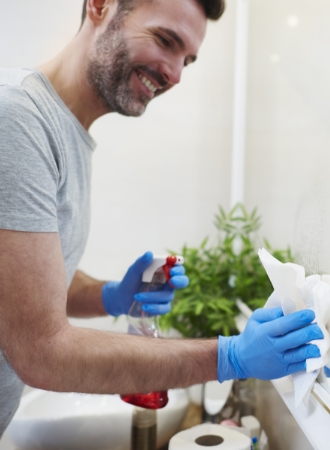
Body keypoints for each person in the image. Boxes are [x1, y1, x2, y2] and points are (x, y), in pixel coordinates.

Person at [0, 0, 323, 437]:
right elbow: (41, 352)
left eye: (186, 59)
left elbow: (27, 286)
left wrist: (110, 295)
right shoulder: (19, 119)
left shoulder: (67, 131)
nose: (175, 73)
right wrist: (227, 357)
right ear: (99, 6)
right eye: (166, 41)